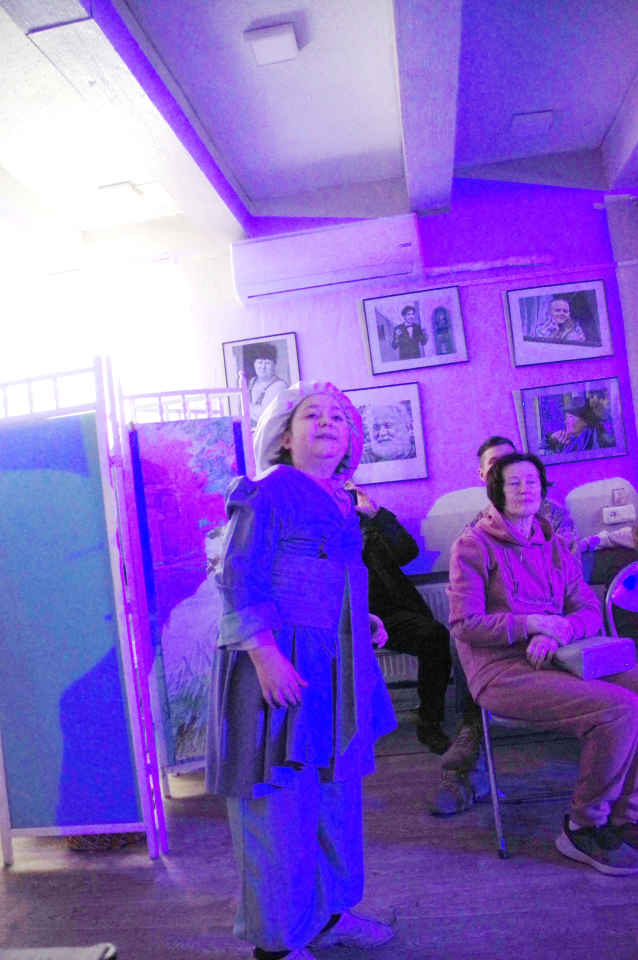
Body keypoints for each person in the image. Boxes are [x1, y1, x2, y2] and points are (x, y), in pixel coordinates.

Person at [206, 381, 397, 960]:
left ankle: (328, 915)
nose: (329, 421)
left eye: (339, 415)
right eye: (312, 414)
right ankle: (277, 944)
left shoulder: (341, 499)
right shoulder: (268, 489)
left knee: (335, 797)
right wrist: (265, 655)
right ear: (284, 436)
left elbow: (325, 575)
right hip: (277, 663)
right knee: (278, 805)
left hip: (332, 665)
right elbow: (239, 573)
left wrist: (358, 618)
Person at [448, 451, 638, 875]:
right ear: (496, 491)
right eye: (513, 482)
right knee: (620, 709)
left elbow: (587, 609)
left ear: (543, 488)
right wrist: (531, 623)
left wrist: (558, 631)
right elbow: (464, 624)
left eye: (532, 481)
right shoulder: (472, 545)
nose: (524, 489)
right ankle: (582, 827)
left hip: (561, 656)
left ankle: (626, 819)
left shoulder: (554, 545)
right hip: (501, 671)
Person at [431, 434, 576, 816]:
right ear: (484, 477)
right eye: (497, 468)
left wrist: (551, 629)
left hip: (558, 632)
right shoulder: (475, 531)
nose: (512, 477)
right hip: (504, 644)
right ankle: (471, 734)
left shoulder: (551, 516)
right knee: (459, 636)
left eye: (515, 465)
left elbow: (574, 586)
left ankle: (470, 735)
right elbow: (470, 610)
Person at [345, 480, 452, 754]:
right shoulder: (312, 527)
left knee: (434, 636)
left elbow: (408, 552)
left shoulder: (370, 524)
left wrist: (376, 514)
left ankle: (430, 721)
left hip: (390, 614)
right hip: (342, 620)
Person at [247, 343, 288, 428]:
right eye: (260, 362)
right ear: (254, 364)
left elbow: (265, 415)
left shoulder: (280, 386)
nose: (263, 367)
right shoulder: (252, 382)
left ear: (274, 364)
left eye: (267, 363)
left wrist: (247, 407)